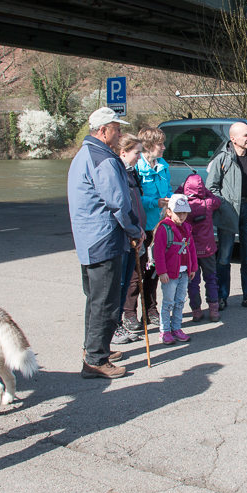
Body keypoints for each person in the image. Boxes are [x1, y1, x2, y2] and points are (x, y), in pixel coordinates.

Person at [68, 107, 144, 379]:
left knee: (95, 299)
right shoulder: (104, 159)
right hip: (104, 239)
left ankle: (94, 349)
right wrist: (136, 230)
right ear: (103, 131)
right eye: (117, 128)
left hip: (89, 239)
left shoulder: (85, 154)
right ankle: (95, 359)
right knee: (106, 301)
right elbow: (119, 203)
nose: (120, 133)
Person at [206, 122, 247, 310]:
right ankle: (222, 297)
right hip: (229, 211)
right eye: (245, 135)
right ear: (233, 139)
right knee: (224, 257)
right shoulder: (222, 159)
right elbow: (211, 188)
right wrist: (224, 206)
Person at [122, 127, 172, 330]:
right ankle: (129, 313)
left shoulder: (163, 165)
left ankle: (151, 310)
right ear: (149, 146)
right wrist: (155, 202)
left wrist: (169, 200)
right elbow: (134, 198)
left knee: (153, 270)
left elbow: (167, 188)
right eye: (160, 144)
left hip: (158, 226)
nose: (163, 147)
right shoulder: (136, 167)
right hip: (141, 226)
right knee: (136, 272)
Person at [112, 133, 147, 346]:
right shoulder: (118, 173)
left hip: (135, 232)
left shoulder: (132, 172)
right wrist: (133, 230)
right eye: (137, 152)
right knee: (121, 283)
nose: (140, 156)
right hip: (124, 236)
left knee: (126, 282)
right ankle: (114, 324)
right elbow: (121, 207)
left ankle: (118, 323)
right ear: (123, 152)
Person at [176, 173, 222, 322]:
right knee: (211, 279)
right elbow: (217, 200)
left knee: (192, 281)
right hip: (208, 249)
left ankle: (196, 311)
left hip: (190, 251)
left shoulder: (183, 205)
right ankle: (214, 310)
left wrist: (182, 189)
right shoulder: (208, 203)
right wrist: (205, 192)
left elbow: (174, 197)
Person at [153, 194, 198, 345]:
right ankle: (165, 331)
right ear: (169, 212)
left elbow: (191, 249)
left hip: (184, 272)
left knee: (180, 301)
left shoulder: (187, 229)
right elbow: (158, 252)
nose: (182, 216)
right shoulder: (163, 229)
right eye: (178, 213)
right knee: (168, 303)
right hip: (170, 274)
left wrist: (193, 268)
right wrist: (162, 272)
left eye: (184, 213)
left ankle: (176, 328)